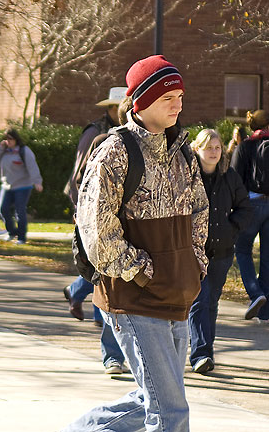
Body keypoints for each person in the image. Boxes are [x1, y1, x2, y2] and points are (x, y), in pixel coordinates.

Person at [64, 55, 209, 432]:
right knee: (171, 413)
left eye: (180, 95)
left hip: (176, 296)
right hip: (134, 299)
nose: (178, 103)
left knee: (153, 401)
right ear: (142, 102)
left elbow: (200, 212)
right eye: (168, 97)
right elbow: (95, 229)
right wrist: (144, 272)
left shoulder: (184, 154)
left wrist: (194, 265)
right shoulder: (114, 152)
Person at [62, 87, 130, 375]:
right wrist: (84, 215)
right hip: (91, 214)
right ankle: (111, 355)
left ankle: (75, 292)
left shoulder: (129, 136)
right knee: (100, 275)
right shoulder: (97, 134)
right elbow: (81, 175)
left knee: (103, 279)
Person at [188, 129, 252, 374]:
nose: (213, 152)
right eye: (208, 147)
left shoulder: (229, 176)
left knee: (211, 302)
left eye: (217, 147)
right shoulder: (188, 176)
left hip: (222, 250)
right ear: (197, 149)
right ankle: (200, 354)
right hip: (194, 252)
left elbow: (245, 208)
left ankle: (206, 353)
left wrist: (231, 228)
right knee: (199, 300)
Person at [232, 110, 269, 323]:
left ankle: (256, 294)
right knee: (268, 256)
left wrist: (234, 207)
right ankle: (265, 313)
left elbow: (234, 178)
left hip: (252, 205)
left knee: (243, 249)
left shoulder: (245, 146)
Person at [0, 128, 42, 244]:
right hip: (7, 185)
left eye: (10, 139)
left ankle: (21, 237)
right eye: (5, 139)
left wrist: (37, 181)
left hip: (23, 186)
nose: (8, 141)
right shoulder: (4, 151)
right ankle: (12, 232)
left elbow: (32, 166)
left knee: (19, 211)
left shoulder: (24, 151)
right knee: (2, 209)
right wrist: (0, 148)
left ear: (16, 139)